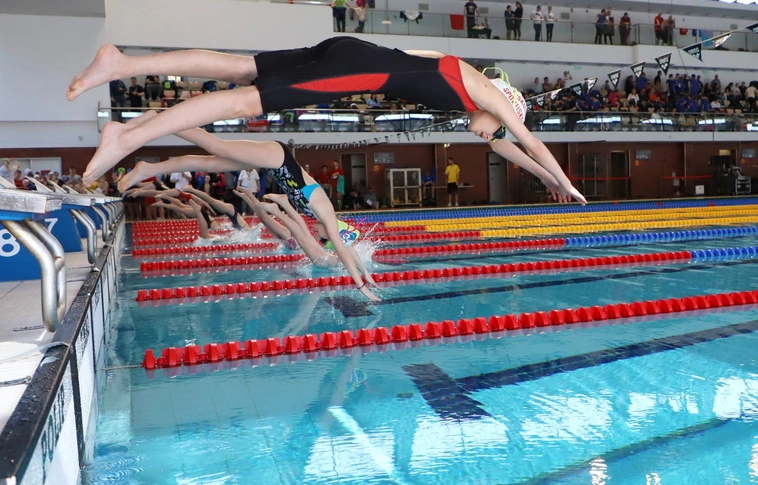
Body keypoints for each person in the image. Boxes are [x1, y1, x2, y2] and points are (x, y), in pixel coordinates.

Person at [68, 37, 586, 205]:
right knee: (243, 103)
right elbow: (529, 142)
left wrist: (547, 182)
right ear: (504, 109)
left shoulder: (463, 83)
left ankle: (121, 64)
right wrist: (565, 181)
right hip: (357, 70)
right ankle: (129, 135)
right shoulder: (489, 96)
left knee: (239, 67)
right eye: (497, 128)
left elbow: (510, 150)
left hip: (348, 51)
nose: (492, 138)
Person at [117, 115, 380, 300]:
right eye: (323, 237)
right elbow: (342, 249)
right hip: (278, 157)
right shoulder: (326, 213)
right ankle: (158, 119)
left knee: (208, 163)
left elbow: (349, 250)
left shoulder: (316, 215)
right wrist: (361, 287)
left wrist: (366, 274)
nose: (318, 236)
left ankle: (150, 168)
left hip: (272, 164)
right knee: (216, 146)